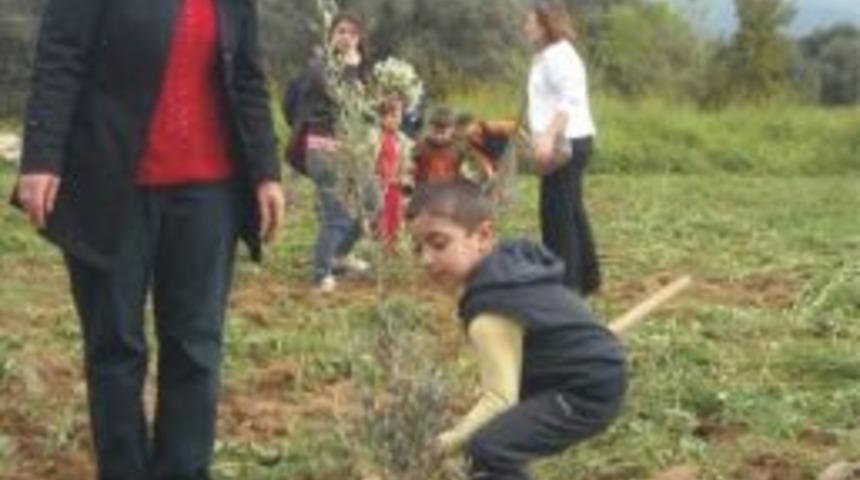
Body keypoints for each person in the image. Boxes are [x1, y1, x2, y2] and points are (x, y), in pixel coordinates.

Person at [12, 0, 284, 478]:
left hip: (207, 192)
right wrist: (41, 156)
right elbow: (60, 56)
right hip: (109, 183)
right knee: (115, 346)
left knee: (196, 348)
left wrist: (265, 170)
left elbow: (246, 75)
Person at [406, 181, 626, 480]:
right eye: (418, 248)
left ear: (483, 236)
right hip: (573, 371)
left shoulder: (492, 310)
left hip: (585, 390)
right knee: (501, 436)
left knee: (489, 448)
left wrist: (443, 444)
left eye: (439, 243)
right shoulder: (512, 266)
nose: (426, 260)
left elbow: (499, 400)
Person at [286, 11, 374, 292]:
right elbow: (335, 94)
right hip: (324, 148)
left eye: (352, 32)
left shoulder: (362, 69)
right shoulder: (321, 66)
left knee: (372, 202)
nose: (346, 37)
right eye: (341, 31)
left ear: (360, 38)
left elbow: (364, 108)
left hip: (354, 149)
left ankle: (339, 255)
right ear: (331, 35)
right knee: (337, 211)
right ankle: (320, 273)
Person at [524, 0, 601, 295]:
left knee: (556, 213)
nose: (526, 27)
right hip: (569, 139)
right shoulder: (549, 55)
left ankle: (566, 285)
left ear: (546, 24)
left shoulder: (558, 55)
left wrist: (547, 137)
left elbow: (569, 100)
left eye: (531, 22)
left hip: (566, 142)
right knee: (570, 209)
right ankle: (587, 277)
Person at [375, 97, 413, 252]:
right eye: (391, 116)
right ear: (382, 118)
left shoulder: (401, 138)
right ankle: (381, 247)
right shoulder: (377, 137)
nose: (396, 121)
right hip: (380, 183)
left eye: (398, 117)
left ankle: (393, 246)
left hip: (395, 183)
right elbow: (372, 160)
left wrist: (404, 177)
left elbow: (404, 161)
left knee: (396, 214)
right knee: (381, 215)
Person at [412, 107, 465, 185]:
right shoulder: (421, 147)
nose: (439, 136)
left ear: (453, 129)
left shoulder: (457, 150)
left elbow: (460, 172)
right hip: (424, 192)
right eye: (436, 129)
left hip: (448, 193)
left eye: (443, 131)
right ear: (431, 127)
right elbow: (412, 170)